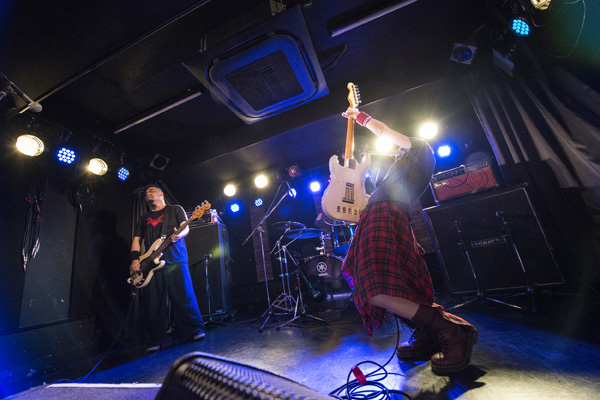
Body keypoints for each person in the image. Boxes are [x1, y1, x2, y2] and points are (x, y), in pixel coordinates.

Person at [340, 108, 478, 374]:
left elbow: (383, 131)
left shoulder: (421, 149)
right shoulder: (400, 171)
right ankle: (428, 332)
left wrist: (360, 116)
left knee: (375, 288)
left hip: (384, 216)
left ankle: (450, 330)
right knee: (395, 286)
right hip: (380, 215)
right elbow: (368, 199)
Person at [129, 185, 205, 352]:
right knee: (153, 303)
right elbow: (136, 240)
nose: (147, 193)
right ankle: (154, 339)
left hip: (176, 258)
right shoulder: (144, 218)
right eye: (146, 193)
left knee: (184, 296)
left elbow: (185, 227)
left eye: (151, 191)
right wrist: (134, 259)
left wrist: (180, 235)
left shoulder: (175, 209)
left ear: (161, 194)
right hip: (151, 264)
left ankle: (194, 330)